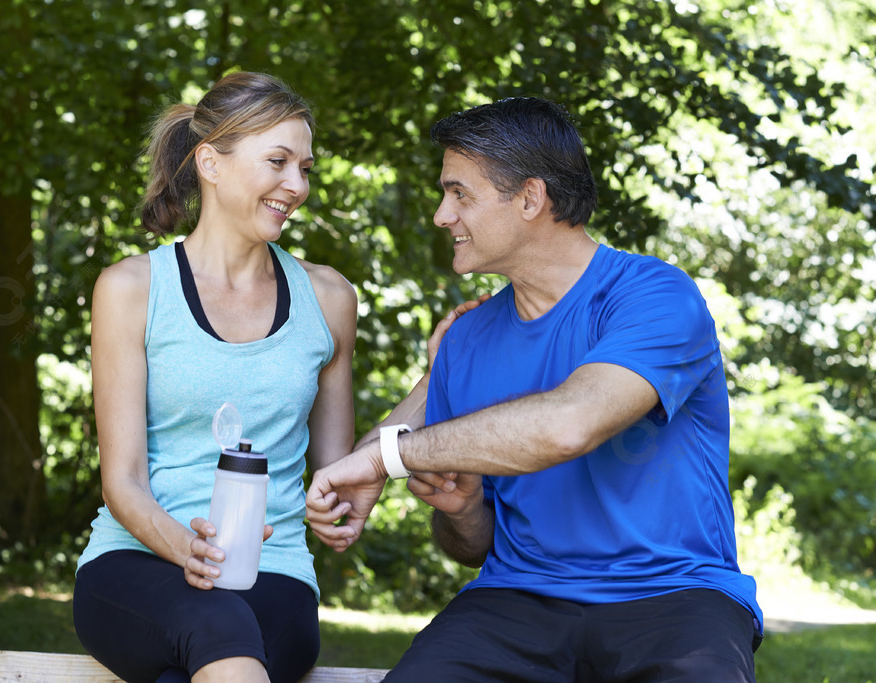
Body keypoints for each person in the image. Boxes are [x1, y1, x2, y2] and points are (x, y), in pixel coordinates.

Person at [306, 97, 764, 682]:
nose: (442, 214)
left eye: (459, 193)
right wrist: (464, 509)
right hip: (516, 600)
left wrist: (387, 456)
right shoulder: (465, 341)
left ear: (530, 197)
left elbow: (570, 423)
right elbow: (470, 546)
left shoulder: (655, 296)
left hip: (672, 596)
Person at [71, 71, 360, 683]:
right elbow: (121, 481)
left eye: (305, 168)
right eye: (278, 161)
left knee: (208, 650)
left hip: (273, 572)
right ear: (210, 163)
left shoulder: (329, 296)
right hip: (137, 561)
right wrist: (187, 549)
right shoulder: (131, 289)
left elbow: (338, 472)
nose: (297, 185)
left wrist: (429, 386)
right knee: (217, 627)